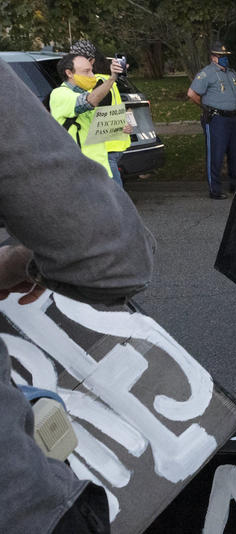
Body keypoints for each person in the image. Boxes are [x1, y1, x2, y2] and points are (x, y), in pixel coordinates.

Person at [1, 57, 155, 533]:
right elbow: (112, 258)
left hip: (102, 162)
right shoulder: (63, 94)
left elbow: (108, 114)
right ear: (69, 74)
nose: (91, 72)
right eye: (84, 66)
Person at [49, 53, 125, 180]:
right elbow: (88, 102)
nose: (92, 75)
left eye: (92, 70)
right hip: (80, 173)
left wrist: (120, 127)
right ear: (69, 73)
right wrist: (111, 78)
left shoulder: (86, 93)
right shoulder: (60, 94)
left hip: (100, 169)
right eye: (87, 71)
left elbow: (94, 128)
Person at [68, 40, 132, 188]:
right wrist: (128, 124)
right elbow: (121, 107)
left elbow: (97, 113)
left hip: (105, 147)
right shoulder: (107, 79)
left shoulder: (96, 83)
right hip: (116, 144)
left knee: (113, 195)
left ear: (91, 61)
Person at [188, 41, 236, 199]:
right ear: (213, 58)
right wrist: (206, 108)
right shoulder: (207, 73)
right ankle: (215, 189)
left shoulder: (231, 73)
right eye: (220, 56)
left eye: (225, 56)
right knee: (216, 154)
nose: (224, 58)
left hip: (233, 118)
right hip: (217, 119)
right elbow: (192, 93)